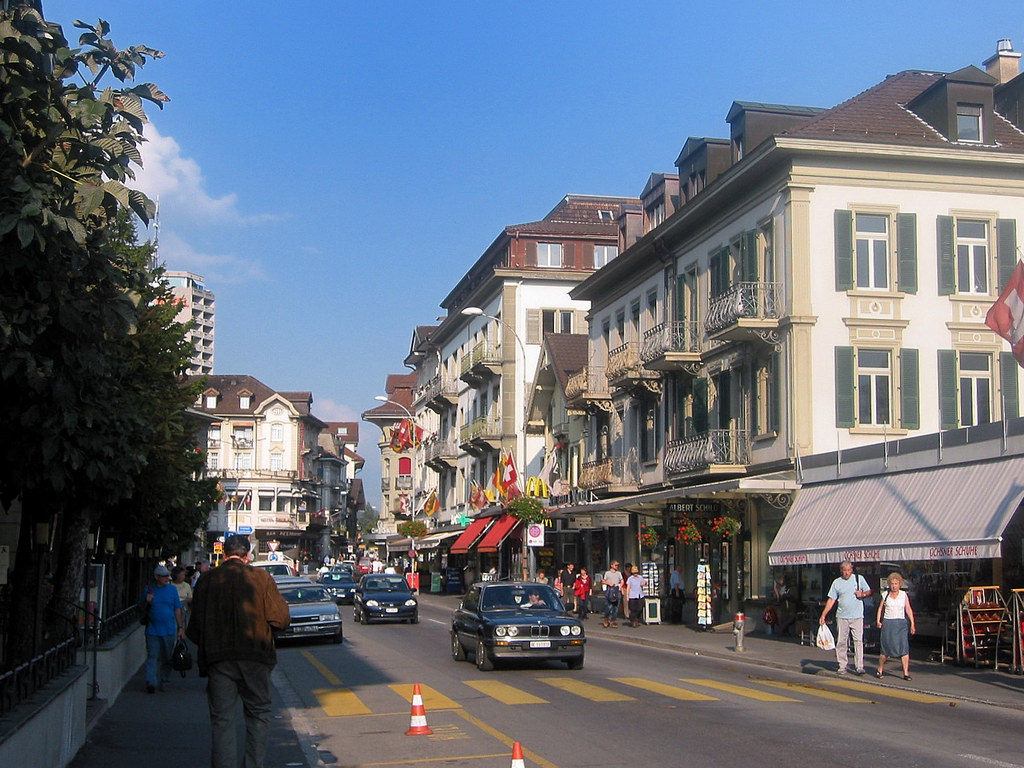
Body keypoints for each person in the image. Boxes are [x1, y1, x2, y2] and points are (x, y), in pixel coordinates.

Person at [186, 535, 290, 768]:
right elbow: (281, 619)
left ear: (224, 555)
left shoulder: (207, 580)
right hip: (256, 656)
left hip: (218, 658)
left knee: (222, 720)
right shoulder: (261, 578)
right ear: (248, 556)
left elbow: (194, 628)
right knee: (259, 714)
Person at [818, 560, 872, 675]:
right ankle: (842, 666)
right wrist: (823, 614)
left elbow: (869, 591)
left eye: (848, 570)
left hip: (857, 616)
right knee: (842, 641)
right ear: (841, 571)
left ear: (851, 570)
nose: (847, 573)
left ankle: (859, 666)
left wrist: (863, 594)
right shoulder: (837, 582)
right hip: (842, 616)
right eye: (844, 571)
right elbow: (831, 599)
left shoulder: (859, 579)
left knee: (858, 641)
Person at [140, 564, 184, 693]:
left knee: (167, 657)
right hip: (152, 629)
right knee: (152, 655)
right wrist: (147, 602)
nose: (166, 578)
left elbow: (177, 609)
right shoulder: (149, 590)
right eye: (163, 576)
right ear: (156, 577)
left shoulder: (172, 590)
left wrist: (180, 627)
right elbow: (140, 608)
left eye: (167, 576)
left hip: (169, 629)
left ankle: (165, 681)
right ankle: (151, 681)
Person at [876, 572, 916, 681]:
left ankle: (906, 673)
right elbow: (880, 608)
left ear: (900, 584)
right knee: (886, 649)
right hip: (888, 623)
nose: (894, 586)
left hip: (901, 624)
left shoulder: (904, 595)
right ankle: (880, 669)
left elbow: (908, 609)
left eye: (896, 584)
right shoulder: (885, 595)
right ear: (889, 584)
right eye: (892, 584)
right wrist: (878, 621)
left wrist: (912, 623)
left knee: (904, 648)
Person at [601, 561, 623, 628]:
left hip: (616, 591)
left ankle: (613, 621)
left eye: (617, 565)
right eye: (615, 565)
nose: (617, 566)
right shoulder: (607, 573)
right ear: (612, 565)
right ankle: (606, 619)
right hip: (610, 590)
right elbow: (603, 581)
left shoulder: (618, 573)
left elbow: (622, 581)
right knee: (609, 607)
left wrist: (620, 587)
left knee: (615, 608)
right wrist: (609, 583)